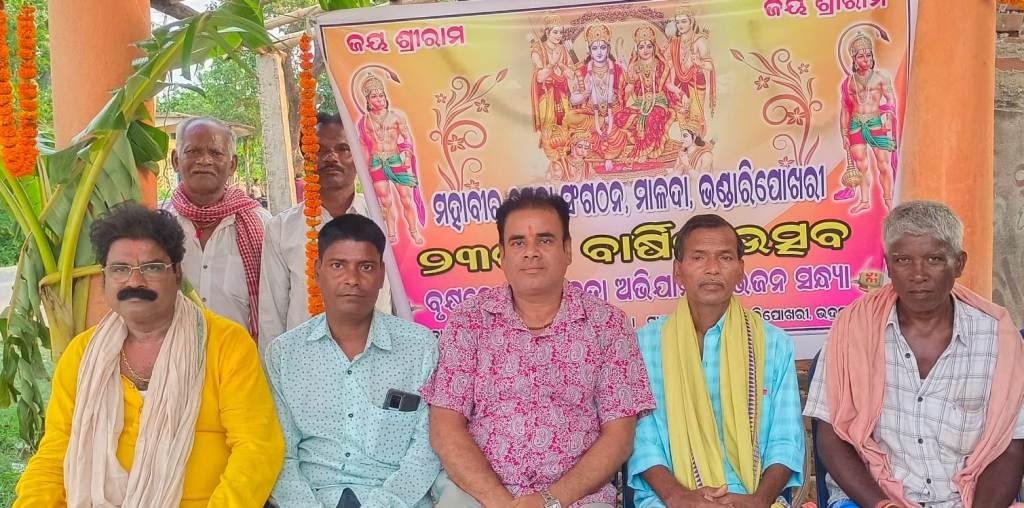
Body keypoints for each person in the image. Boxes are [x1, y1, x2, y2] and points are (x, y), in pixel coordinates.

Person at [14, 203, 284, 507]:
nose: (134, 281)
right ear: (104, 278)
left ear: (177, 274)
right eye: (120, 269)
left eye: (152, 268)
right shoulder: (82, 354)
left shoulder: (225, 344)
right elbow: (55, 453)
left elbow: (257, 449)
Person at [422, 189, 656, 507]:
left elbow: (619, 436)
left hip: (577, 497)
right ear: (501, 254)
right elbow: (445, 428)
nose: (531, 252)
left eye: (545, 240)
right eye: (518, 242)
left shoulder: (607, 324)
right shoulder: (469, 321)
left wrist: (549, 501)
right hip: (477, 494)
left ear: (567, 250)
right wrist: (501, 502)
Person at [805, 200, 1024, 508]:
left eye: (934, 259)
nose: (917, 274)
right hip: (872, 500)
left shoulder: (997, 339)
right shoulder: (852, 330)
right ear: (887, 265)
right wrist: (884, 505)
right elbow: (831, 436)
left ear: (959, 263)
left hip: (968, 500)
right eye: (903, 260)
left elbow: (1010, 446)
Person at [628, 214, 804, 508]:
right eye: (699, 257)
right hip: (667, 501)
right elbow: (642, 440)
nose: (712, 269)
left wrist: (759, 499)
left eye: (725, 257)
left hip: (752, 496)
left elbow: (785, 440)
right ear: (678, 271)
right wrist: (678, 497)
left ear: (740, 270)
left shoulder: (773, 343)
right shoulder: (643, 345)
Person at [266, 214, 439, 507]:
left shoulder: (419, 347)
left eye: (366, 267)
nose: (352, 279)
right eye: (338, 265)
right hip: (312, 497)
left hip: (393, 500)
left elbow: (427, 448)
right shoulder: (285, 354)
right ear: (317, 272)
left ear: (382, 275)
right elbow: (280, 453)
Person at [260, 112, 392, 351]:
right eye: (319, 149)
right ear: (305, 156)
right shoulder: (281, 228)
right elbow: (272, 315)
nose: (331, 157)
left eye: (343, 149)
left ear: (359, 156)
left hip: (377, 359)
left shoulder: (385, 219)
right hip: (304, 360)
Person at [163, 116, 270, 336]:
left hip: (240, 355)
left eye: (216, 153)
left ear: (232, 165)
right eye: (193, 151)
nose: (204, 160)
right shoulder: (156, 225)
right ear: (175, 160)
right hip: (169, 355)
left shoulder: (262, 225)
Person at [356, 72, 427, 245]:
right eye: (374, 96)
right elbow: (364, 146)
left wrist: (407, 156)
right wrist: (365, 168)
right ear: (368, 100)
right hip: (376, 163)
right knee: (385, 202)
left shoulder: (396, 116)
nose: (379, 99)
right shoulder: (364, 122)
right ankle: (391, 233)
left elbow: (407, 137)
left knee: (406, 199)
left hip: (395, 159)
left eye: (381, 95)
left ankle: (414, 232)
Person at [834, 30, 898, 214]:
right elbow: (845, 110)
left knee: (883, 164)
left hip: (875, 122)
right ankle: (864, 200)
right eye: (861, 56)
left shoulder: (881, 77)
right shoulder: (848, 83)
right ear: (854, 59)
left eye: (869, 55)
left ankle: (890, 202)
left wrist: (888, 120)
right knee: (861, 165)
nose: (866, 59)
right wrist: (844, 134)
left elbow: (891, 100)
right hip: (855, 125)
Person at [569, 22, 630, 169]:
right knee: (571, 117)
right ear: (590, 51)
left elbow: (628, 90)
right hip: (591, 113)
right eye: (595, 48)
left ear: (608, 49)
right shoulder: (582, 71)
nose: (599, 52)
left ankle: (608, 152)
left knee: (630, 119)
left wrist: (627, 72)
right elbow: (573, 99)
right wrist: (585, 93)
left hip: (614, 111)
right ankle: (604, 131)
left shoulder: (617, 69)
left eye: (603, 47)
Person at [616, 25, 680, 163]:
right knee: (619, 117)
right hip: (641, 102)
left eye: (649, 46)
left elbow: (668, 84)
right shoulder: (634, 66)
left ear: (654, 47)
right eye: (641, 47)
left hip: (658, 101)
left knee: (651, 118)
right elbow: (629, 88)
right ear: (636, 49)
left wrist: (680, 93)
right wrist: (625, 92)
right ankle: (639, 140)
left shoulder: (661, 65)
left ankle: (645, 149)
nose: (645, 50)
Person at [665, 6, 716, 138]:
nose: (680, 25)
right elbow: (665, 66)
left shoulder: (700, 41)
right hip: (678, 86)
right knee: (682, 120)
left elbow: (710, 66)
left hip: (696, 83)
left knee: (695, 120)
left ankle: (696, 142)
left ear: (691, 22)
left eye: (684, 21)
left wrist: (699, 63)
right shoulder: (674, 43)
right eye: (678, 22)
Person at [531, 13, 575, 161]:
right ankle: (551, 156)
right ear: (547, 32)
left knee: (566, 122)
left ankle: (566, 152)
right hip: (546, 93)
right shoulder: (538, 49)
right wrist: (552, 64)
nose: (559, 35)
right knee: (548, 125)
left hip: (562, 92)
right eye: (555, 32)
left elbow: (571, 75)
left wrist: (562, 66)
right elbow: (540, 77)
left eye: (561, 32)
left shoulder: (563, 49)